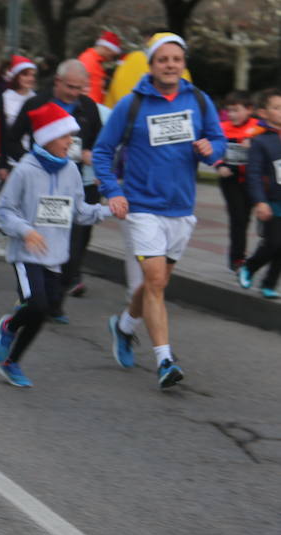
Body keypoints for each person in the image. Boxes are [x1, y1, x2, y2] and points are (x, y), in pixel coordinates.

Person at [93, 33, 225, 389]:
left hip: (181, 206)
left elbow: (219, 141)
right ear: (151, 65)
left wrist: (209, 149)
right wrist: (113, 191)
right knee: (154, 281)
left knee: (157, 282)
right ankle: (165, 360)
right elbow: (103, 151)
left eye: (176, 59)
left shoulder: (198, 100)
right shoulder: (131, 104)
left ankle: (123, 326)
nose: (170, 65)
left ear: (183, 64)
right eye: (163, 59)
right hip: (142, 206)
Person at [0, 103, 126, 386]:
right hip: (26, 254)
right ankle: (9, 327)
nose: (71, 143)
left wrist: (107, 210)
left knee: (45, 310)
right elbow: (3, 211)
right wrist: (25, 231)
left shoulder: (71, 172)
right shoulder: (25, 171)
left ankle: (11, 360)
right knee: (36, 304)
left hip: (55, 256)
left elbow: (80, 212)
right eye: (66, 137)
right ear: (49, 138)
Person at [4, 59, 102, 317]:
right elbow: (12, 139)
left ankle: (55, 296)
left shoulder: (88, 107)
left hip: (78, 182)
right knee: (36, 244)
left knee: (76, 245)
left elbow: (100, 143)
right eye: (70, 87)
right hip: (40, 188)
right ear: (57, 82)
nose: (74, 93)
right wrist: (34, 164)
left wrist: (96, 160)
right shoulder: (36, 104)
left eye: (80, 88)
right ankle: (35, 298)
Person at [238, 89, 281, 300]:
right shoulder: (260, 141)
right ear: (263, 113)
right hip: (271, 201)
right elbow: (253, 175)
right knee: (273, 242)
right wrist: (259, 201)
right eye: (277, 108)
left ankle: (269, 284)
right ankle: (249, 266)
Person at [215, 90, 263, 272]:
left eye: (236, 110)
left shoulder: (259, 127)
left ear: (249, 109)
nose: (232, 115)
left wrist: (255, 144)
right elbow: (213, 149)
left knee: (255, 219)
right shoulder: (222, 128)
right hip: (231, 180)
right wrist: (220, 165)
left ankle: (264, 253)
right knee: (239, 219)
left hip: (254, 180)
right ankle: (237, 259)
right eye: (229, 111)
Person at [0, 55, 37, 181]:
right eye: (25, 74)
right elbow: (1, 133)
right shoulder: (4, 98)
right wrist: (2, 164)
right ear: (16, 76)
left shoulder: (37, 99)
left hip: (33, 160)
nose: (30, 78)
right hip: (11, 161)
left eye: (32, 75)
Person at [77, 31, 121, 105]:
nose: (111, 58)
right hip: (90, 107)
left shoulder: (94, 61)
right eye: (112, 55)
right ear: (106, 48)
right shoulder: (88, 60)